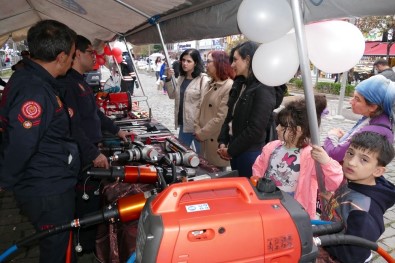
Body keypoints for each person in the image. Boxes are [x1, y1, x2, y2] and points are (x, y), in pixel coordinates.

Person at [0, 20, 78, 263]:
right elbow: (21, 144)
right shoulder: (34, 90)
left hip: (46, 181)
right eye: (73, 55)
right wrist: (4, 180)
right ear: (62, 56)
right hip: (46, 188)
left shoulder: (33, 80)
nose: (73, 61)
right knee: (57, 251)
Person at [57, 35, 129, 255]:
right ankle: (83, 247)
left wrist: (116, 129)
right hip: (82, 155)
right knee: (86, 202)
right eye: (90, 51)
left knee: (92, 201)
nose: (94, 56)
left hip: (89, 150)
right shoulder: (68, 84)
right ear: (77, 54)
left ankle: (88, 244)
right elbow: (73, 125)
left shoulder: (80, 81)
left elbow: (94, 113)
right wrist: (93, 153)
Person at [251, 96, 343, 219]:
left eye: (283, 127)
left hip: (295, 208)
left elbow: (332, 183)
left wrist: (326, 162)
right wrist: (257, 182)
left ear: (299, 130)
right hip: (268, 200)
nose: (277, 128)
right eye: (278, 125)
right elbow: (259, 167)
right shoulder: (272, 147)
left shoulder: (310, 155)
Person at [319, 131, 395, 263]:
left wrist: (323, 240)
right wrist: (333, 200)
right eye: (350, 153)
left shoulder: (363, 212)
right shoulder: (356, 181)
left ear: (378, 171)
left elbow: (354, 255)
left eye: (364, 159)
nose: (351, 162)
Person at [216, 41, 284, 177]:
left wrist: (231, 150)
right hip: (236, 150)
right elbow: (230, 115)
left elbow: (256, 129)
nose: (232, 65)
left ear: (247, 60)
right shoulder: (239, 84)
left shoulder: (264, 87)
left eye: (235, 60)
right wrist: (223, 141)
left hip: (250, 153)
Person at [324, 75, 395, 162]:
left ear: (373, 107)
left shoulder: (373, 131)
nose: (351, 101)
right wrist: (346, 137)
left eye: (357, 99)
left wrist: (332, 135)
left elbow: (335, 154)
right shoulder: (376, 121)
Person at [194, 50, 235, 170]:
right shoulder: (209, 83)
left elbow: (221, 117)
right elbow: (199, 107)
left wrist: (202, 133)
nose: (206, 65)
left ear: (219, 63)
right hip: (202, 138)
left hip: (215, 140)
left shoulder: (229, 86)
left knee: (216, 177)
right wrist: (197, 127)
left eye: (209, 61)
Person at [165, 48, 209, 153]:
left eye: (189, 61)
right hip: (183, 125)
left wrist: (201, 127)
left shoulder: (203, 79)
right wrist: (168, 79)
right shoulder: (181, 77)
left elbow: (205, 105)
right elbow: (172, 95)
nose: (185, 63)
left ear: (196, 63)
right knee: (182, 153)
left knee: (201, 157)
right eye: (183, 60)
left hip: (196, 127)